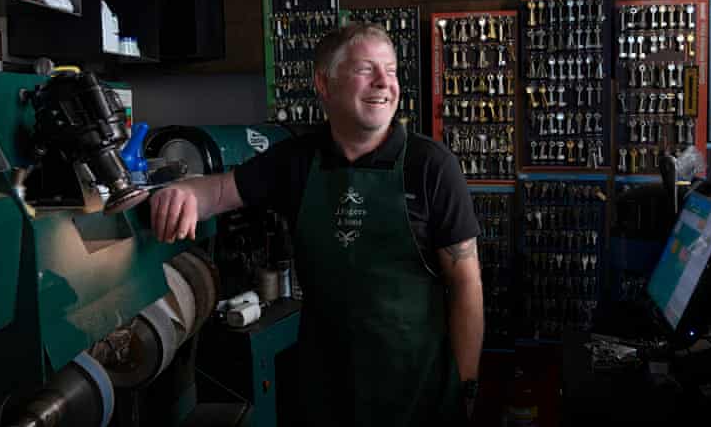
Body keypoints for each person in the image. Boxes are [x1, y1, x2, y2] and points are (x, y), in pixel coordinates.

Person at [150, 23, 484, 426]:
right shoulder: (295, 160)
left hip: (416, 393)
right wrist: (184, 192)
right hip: (325, 391)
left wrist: (466, 388)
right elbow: (218, 192)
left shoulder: (431, 166)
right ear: (324, 84)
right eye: (366, 69)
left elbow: (466, 284)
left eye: (391, 70)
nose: (385, 83)